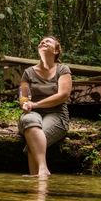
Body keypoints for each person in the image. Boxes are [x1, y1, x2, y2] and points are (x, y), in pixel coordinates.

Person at [18, 36, 72, 177]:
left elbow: (63, 95)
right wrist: (24, 104)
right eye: (41, 42)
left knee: (33, 144)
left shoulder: (63, 69)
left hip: (57, 113)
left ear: (56, 50)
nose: (43, 42)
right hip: (32, 112)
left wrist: (36, 104)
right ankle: (43, 172)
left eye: (48, 41)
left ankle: (39, 179)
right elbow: (23, 96)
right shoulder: (28, 72)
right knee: (30, 121)